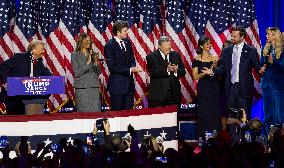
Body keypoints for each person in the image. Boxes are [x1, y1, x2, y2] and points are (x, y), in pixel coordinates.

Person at [202, 26, 266, 142]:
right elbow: (222, 69)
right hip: (230, 89)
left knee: (244, 116)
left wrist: (261, 70)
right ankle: (234, 141)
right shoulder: (227, 51)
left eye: (235, 36)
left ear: (242, 37)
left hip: (244, 88)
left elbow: (257, 67)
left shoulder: (251, 50)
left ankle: (245, 141)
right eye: (232, 36)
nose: (232, 38)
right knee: (231, 116)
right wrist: (212, 72)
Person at [0, 40, 52, 115]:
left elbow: (47, 73)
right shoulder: (19, 58)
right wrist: (7, 82)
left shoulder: (39, 62)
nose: (43, 51)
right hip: (14, 95)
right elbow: (2, 68)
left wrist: (52, 79)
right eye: (42, 49)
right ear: (33, 49)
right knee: (15, 120)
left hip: (30, 97)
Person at [104, 20, 141, 111]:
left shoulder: (127, 42)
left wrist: (134, 67)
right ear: (118, 32)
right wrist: (130, 70)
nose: (127, 32)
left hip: (129, 85)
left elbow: (132, 58)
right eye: (125, 31)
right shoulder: (110, 45)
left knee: (128, 114)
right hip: (117, 87)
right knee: (117, 114)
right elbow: (112, 67)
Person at [192, 36, 221, 137]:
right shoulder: (196, 59)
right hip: (203, 87)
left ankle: (215, 137)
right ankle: (202, 137)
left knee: (214, 110)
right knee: (203, 111)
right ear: (201, 45)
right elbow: (195, 76)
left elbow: (219, 73)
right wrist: (205, 73)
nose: (209, 45)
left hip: (214, 86)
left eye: (210, 43)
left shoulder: (215, 58)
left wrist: (213, 70)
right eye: (207, 44)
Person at [146, 36, 185, 107]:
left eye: (169, 45)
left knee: (174, 117)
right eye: (166, 45)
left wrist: (176, 71)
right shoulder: (151, 56)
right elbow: (153, 72)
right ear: (159, 46)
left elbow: (183, 72)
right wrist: (167, 70)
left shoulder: (176, 55)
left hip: (174, 95)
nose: (168, 47)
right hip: (158, 96)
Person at [260, 27, 284, 134]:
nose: (266, 36)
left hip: (278, 85)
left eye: (268, 34)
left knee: (279, 113)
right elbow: (262, 63)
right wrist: (263, 67)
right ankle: (267, 137)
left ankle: (278, 138)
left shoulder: (282, 50)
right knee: (268, 112)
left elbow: (282, 67)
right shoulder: (266, 49)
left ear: (275, 35)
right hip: (266, 85)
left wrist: (273, 62)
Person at [71, 33, 101, 112]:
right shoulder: (75, 55)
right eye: (86, 40)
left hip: (93, 87)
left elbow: (98, 72)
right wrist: (87, 63)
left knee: (95, 113)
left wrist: (96, 63)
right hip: (82, 88)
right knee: (83, 113)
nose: (89, 42)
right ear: (81, 42)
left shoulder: (93, 54)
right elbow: (77, 73)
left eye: (89, 40)